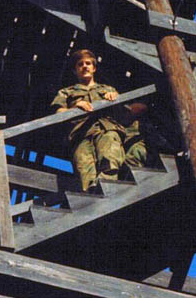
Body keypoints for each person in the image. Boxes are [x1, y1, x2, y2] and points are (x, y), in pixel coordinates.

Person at [51, 49, 145, 192]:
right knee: (84, 170)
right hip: (79, 135)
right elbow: (59, 112)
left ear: (94, 68)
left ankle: (108, 189)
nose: (84, 66)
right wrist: (76, 106)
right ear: (75, 70)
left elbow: (124, 114)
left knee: (110, 158)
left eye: (88, 63)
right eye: (80, 64)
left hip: (106, 129)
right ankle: (93, 198)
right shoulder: (66, 92)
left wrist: (115, 98)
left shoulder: (108, 89)